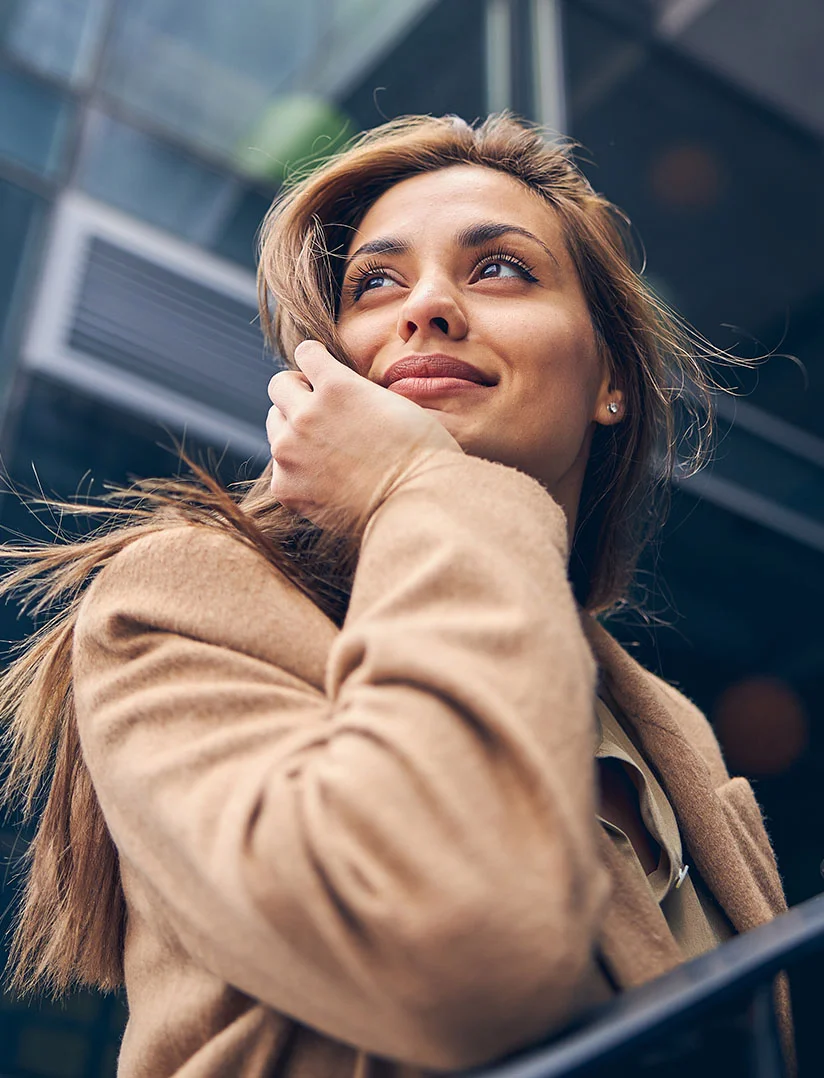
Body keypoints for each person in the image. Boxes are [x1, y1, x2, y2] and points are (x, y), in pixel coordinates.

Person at [0, 114, 789, 1077]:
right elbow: (456, 951)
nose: (425, 307)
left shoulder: (672, 735)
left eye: (500, 268)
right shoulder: (177, 597)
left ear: (611, 379)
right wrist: (425, 487)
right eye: (375, 282)